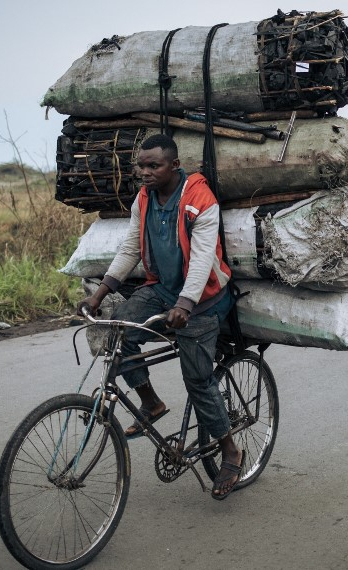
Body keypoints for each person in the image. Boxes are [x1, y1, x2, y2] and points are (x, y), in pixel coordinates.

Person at [77, 134, 243, 500]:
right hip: (162, 289)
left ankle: (230, 450)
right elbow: (131, 247)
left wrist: (185, 305)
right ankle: (151, 402)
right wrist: (101, 293)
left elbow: (202, 259)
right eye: (142, 166)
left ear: (174, 166)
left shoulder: (200, 199)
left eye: (154, 166)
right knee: (118, 332)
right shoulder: (144, 199)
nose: (146, 172)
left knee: (198, 379)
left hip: (204, 298)